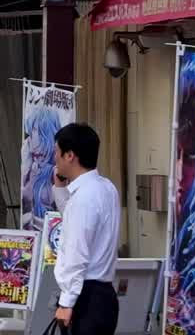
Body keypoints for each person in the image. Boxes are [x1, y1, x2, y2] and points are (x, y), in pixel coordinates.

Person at [52, 123, 119, 335]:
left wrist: (66, 303)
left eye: (57, 152)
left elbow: (77, 252)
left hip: (85, 297)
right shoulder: (106, 188)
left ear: (69, 155)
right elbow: (75, 222)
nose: (54, 158)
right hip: (104, 296)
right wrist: (60, 189)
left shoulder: (83, 198)